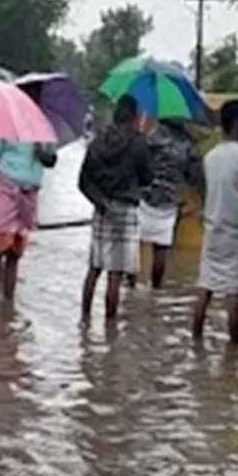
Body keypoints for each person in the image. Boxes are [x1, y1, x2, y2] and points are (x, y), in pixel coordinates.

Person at [191, 100, 238, 344]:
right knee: (233, 294)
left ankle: (196, 340)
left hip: (212, 233)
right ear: (235, 123)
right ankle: (233, 351)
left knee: (205, 287)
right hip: (234, 235)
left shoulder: (210, 157)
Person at [78, 95, 152, 321]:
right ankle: (110, 331)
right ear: (134, 117)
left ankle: (85, 321)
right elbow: (147, 178)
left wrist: (101, 202)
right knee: (115, 275)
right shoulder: (138, 143)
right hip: (125, 209)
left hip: (101, 209)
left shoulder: (98, 141)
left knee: (94, 268)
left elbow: (83, 182)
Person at [0, 137, 56, 302]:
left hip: (29, 193)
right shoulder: (7, 125)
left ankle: (8, 303)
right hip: (5, 189)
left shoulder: (44, 130)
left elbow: (51, 160)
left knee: (15, 254)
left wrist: (41, 151)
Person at [139, 118, 202, 288]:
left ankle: (130, 285)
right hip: (169, 201)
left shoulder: (150, 138)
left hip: (144, 197)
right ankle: (156, 289)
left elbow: (139, 163)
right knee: (161, 248)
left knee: (135, 244)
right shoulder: (188, 145)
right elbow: (195, 177)